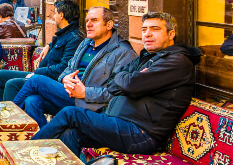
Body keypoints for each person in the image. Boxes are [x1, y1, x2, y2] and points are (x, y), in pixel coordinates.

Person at [32, 12, 201, 156]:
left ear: (171, 34)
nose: (147, 34)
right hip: (118, 122)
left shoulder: (177, 61)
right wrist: (127, 78)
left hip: (141, 133)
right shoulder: (146, 57)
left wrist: (127, 79)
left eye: (155, 29)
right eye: (144, 30)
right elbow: (115, 82)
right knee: (71, 133)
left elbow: (130, 85)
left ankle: (26, 152)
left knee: (70, 113)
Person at [14, 7, 137, 129]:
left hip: (91, 103)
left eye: (94, 20)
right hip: (70, 93)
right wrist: (64, 79)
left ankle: (10, 121)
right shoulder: (85, 43)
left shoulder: (123, 52)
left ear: (109, 24)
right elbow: (69, 67)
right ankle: (45, 142)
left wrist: (84, 93)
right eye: (87, 20)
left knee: (36, 80)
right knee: (32, 101)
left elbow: (117, 93)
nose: (88, 24)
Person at [0, 0, 84, 101]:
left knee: (12, 84)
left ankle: (11, 115)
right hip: (41, 75)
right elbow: (59, 44)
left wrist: (37, 72)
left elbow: (63, 68)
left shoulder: (74, 38)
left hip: (47, 79)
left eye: (55, 13)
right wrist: (49, 45)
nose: (53, 16)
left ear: (61, 15)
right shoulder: (63, 34)